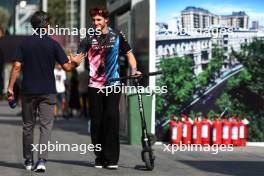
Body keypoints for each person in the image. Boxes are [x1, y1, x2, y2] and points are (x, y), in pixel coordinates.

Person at [7, 11, 84, 172]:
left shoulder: (24, 43)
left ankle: (28, 160)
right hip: (48, 91)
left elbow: (16, 66)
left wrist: (10, 88)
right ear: (46, 26)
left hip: (28, 91)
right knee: (46, 126)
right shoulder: (53, 44)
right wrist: (75, 63)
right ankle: (41, 161)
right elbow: (67, 67)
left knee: (28, 126)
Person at [78, 7, 141, 169]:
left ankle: (112, 159)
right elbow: (78, 58)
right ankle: (100, 157)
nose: (96, 23)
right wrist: (73, 60)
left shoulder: (117, 35)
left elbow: (129, 54)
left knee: (112, 116)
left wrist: (134, 70)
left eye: (99, 19)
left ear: (106, 20)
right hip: (95, 85)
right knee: (97, 121)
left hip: (113, 83)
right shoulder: (88, 37)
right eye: (94, 20)